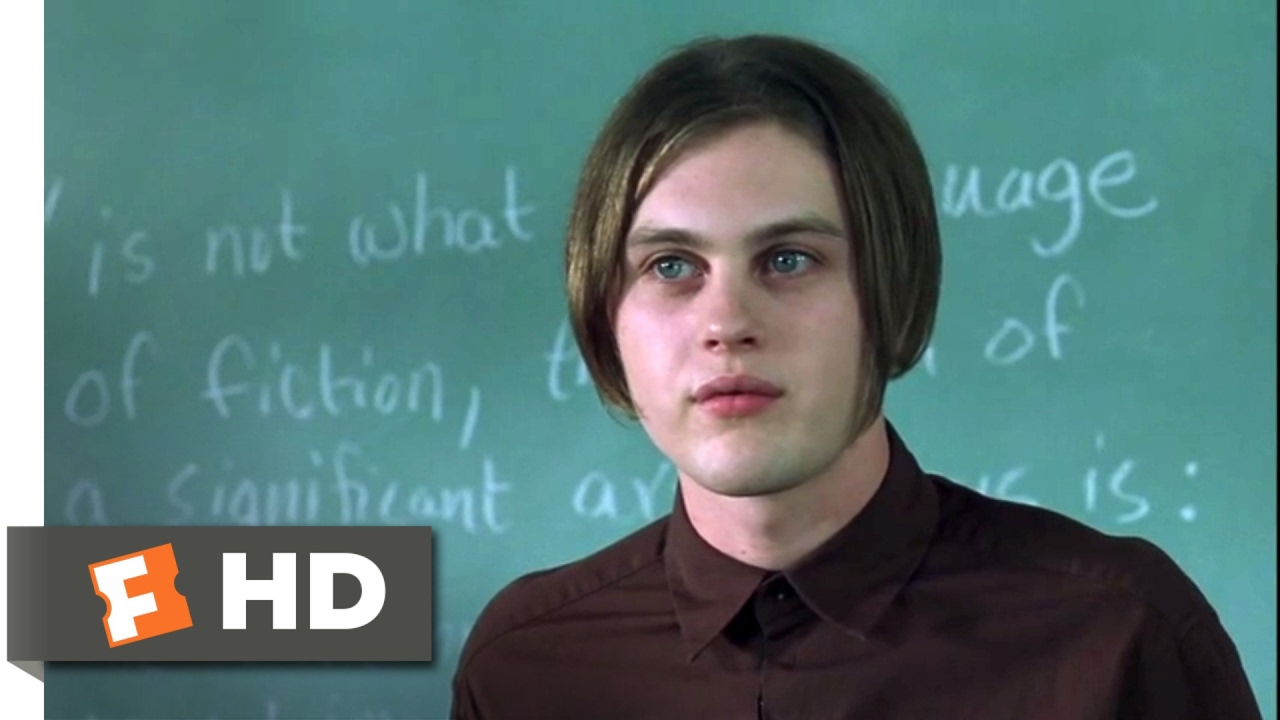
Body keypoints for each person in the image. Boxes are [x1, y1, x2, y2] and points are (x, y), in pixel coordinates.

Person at [450, 34, 1262, 719]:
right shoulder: (525, 670)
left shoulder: (1118, 637)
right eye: (671, 265)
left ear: (889, 287)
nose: (726, 322)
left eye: (788, 259)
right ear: (606, 314)